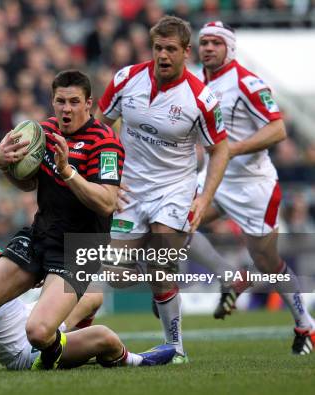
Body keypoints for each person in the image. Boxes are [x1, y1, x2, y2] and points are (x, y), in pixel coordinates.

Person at [0, 69, 125, 370]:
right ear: (52, 101)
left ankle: (64, 352)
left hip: (78, 248)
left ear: (88, 103)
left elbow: (107, 203)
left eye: (74, 101)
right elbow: (28, 184)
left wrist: (69, 173)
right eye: (60, 101)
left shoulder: (105, 142)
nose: (66, 108)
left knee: (38, 332)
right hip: (40, 234)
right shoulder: (43, 132)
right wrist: (3, 165)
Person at [0, 199, 175, 374]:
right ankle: (133, 360)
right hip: (23, 351)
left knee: (91, 293)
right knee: (104, 335)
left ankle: (70, 346)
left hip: (31, 318)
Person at [95, 15, 229, 363]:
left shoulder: (202, 99)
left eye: (171, 49)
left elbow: (220, 150)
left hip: (174, 189)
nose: (163, 55)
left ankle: (177, 348)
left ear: (187, 52)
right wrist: (108, 174)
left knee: (160, 258)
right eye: (158, 48)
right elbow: (100, 127)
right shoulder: (126, 79)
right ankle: (158, 280)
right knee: (114, 273)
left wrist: (204, 198)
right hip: (129, 190)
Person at [189, 21, 314, 354]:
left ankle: (305, 324)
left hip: (253, 186)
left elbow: (278, 129)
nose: (209, 48)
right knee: (176, 223)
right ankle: (228, 275)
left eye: (216, 43)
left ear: (229, 48)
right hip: (215, 176)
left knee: (268, 263)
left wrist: (233, 148)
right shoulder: (197, 81)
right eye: (204, 43)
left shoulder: (247, 82)